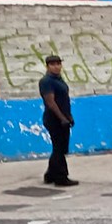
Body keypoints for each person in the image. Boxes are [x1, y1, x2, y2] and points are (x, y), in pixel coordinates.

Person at [38, 55, 78, 187]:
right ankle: (61, 177)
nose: (56, 67)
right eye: (53, 64)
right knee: (59, 149)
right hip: (54, 119)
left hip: (64, 118)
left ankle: (50, 175)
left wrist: (69, 116)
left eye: (58, 64)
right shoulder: (46, 81)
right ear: (47, 66)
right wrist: (62, 118)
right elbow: (51, 102)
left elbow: (64, 100)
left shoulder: (59, 80)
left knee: (59, 148)